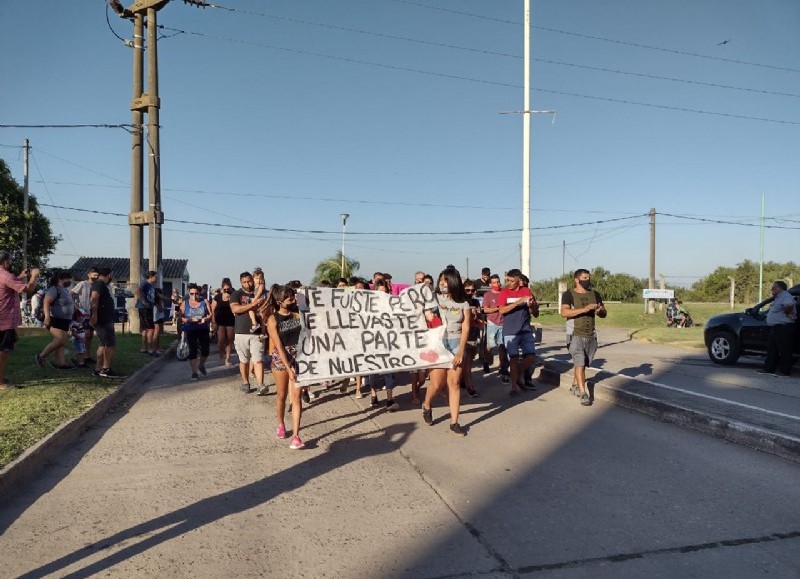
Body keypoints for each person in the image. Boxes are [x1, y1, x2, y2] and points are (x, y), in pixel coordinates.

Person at [421, 267, 471, 437]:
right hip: (439, 344)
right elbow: (421, 308)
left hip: (457, 343)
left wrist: (461, 351)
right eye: (440, 279)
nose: (442, 283)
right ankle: (427, 405)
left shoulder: (464, 303)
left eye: (445, 280)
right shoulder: (435, 298)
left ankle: (454, 423)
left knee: (455, 384)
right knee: (436, 384)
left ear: (453, 282)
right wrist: (428, 315)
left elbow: (466, 328)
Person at [266, 284, 305, 449]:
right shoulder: (273, 319)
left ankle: (296, 436)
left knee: (296, 398)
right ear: (279, 301)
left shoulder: (298, 315)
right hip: (281, 359)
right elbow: (279, 347)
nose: (291, 297)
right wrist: (289, 369)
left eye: (292, 294)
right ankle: (281, 423)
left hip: (299, 357)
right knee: (281, 395)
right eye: (287, 295)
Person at [560, 269, 606, 406]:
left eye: (589, 277)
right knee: (579, 363)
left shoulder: (595, 294)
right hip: (574, 333)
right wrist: (585, 309)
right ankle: (583, 393)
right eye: (584, 277)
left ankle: (575, 385)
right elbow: (564, 312)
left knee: (584, 364)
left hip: (590, 334)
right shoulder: (569, 294)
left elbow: (603, 314)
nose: (587, 280)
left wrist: (600, 311)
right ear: (576, 279)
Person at [0, 252, 40, 389]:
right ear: (5, 262)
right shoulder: (6, 275)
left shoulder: (4, 276)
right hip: (5, 319)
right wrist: (34, 276)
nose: (10, 263)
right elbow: (28, 289)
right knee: (4, 350)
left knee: (7, 347)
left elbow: (7, 286)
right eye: (10, 260)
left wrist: (21, 277)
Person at [497, 269, 539, 395]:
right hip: (510, 331)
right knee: (513, 358)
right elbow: (502, 310)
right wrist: (518, 302)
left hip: (525, 329)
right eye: (507, 280)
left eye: (512, 281)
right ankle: (514, 386)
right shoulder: (504, 292)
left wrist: (532, 305)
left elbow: (535, 313)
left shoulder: (526, 291)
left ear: (519, 281)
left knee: (531, 356)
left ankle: (517, 373)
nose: (509, 283)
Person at [230, 271, 267, 394]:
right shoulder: (236, 294)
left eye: (249, 281)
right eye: (244, 282)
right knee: (244, 360)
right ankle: (245, 382)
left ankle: (261, 384)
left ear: (253, 280)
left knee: (258, 359)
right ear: (241, 283)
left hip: (257, 333)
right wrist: (251, 305)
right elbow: (235, 308)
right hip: (241, 332)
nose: (247, 284)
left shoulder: (260, 293)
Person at [35, 270, 76, 370]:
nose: (69, 280)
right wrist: (47, 317)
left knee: (62, 342)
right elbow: (46, 302)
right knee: (60, 340)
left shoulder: (65, 290)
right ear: (59, 279)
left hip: (65, 320)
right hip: (55, 319)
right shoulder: (54, 289)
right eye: (67, 278)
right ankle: (41, 356)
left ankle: (60, 363)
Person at [757, 281, 797, 377]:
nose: (772, 289)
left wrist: (787, 313)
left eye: (774, 287)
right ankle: (769, 369)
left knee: (784, 350)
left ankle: (784, 372)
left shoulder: (786, 296)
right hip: (776, 327)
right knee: (772, 349)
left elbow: (790, 305)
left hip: (784, 327)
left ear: (780, 288)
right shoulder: (778, 298)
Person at [90, 267, 122, 378]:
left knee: (103, 344)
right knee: (109, 344)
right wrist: (94, 314)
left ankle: (98, 369)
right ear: (109, 275)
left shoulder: (102, 285)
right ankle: (105, 369)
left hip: (105, 318)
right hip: (103, 319)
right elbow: (94, 299)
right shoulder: (99, 284)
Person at [480, 274, 510, 381]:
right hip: (492, 322)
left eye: (498, 282)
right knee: (490, 345)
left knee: (502, 345)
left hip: (503, 322)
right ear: (490, 284)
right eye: (494, 282)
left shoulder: (504, 292)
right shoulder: (488, 295)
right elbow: (485, 309)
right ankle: (486, 361)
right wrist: (497, 309)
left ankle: (503, 367)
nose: (496, 284)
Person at [181, 283, 212, 381]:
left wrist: (205, 319)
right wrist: (189, 320)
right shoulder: (185, 303)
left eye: (196, 294)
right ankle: (194, 372)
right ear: (189, 293)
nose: (194, 296)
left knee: (205, 351)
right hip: (190, 329)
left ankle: (201, 365)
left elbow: (211, 314)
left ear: (200, 293)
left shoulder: (204, 302)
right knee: (193, 350)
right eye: (192, 294)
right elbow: (180, 317)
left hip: (203, 329)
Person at [71, 267, 98, 360]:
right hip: (83, 313)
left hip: (93, 313)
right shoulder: (83, 284)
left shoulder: (97, 285)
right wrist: (76, 307)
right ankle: (79, 356)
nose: (95, 276)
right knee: (84, 334)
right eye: (94, 274)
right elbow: (70, 293)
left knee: (90, 335)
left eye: (97, 275)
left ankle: (87, 355)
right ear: (89, 275)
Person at [461, 279, 481, 398]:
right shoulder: (460, 302)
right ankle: (469, 385)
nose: (470, 292)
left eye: (472, 290)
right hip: (462, 335)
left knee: (468, 362)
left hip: (473, 333)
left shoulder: (475, 302)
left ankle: (466, 382)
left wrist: (477, 313)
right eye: (467, 290)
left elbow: (479, 317)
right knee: (465, 363)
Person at [211, 277, 236, 367]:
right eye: (224, 289)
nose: (226, 291)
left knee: (229, 340)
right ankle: (221, 355)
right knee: (221, 340)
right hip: (220, 321)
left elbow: (236, 307)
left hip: (230, 321)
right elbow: (212, 310)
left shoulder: (233, 296)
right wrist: (213, 322)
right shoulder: (217, 297)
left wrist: (230, 298)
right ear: (222, 288)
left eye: (228, 289)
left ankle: (228, 358)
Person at [136, 271, 158, 356]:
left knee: (145, 329)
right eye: (155, 277)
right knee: (150, 328)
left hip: (148, 308)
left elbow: (157, 295)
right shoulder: (145, 284)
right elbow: (138, 291)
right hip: (144, 308)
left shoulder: (151, 286)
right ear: (151, 277)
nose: (157, 278)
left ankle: (144, 348)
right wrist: (143, 301)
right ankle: (149, 349)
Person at [248, 267, 266, 334]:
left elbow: (260, 292)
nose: (258, 280)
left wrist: (254, 300)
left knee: (262, 317)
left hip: (261, 300)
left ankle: (263, 332)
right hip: (256, 301)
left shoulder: (261, 285)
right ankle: (254, 323)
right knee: (251, 310)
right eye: (256, 279)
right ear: (253, 279)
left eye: (260, 279)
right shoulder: (253, 286)